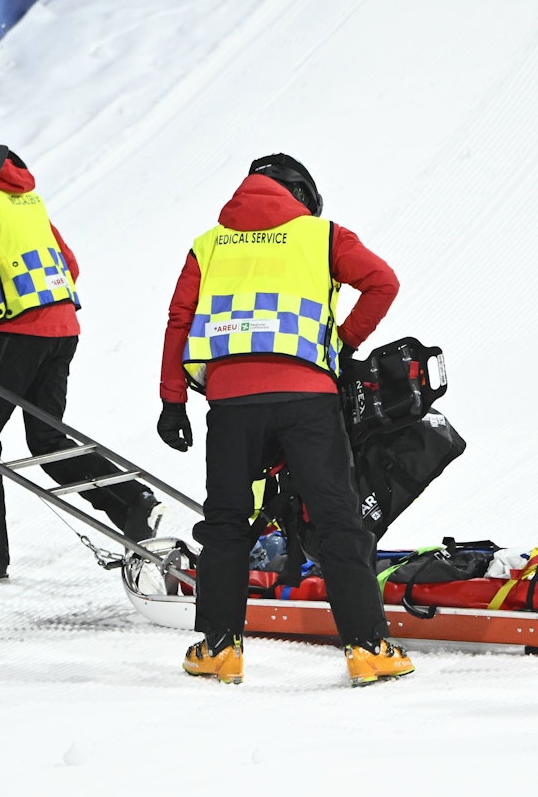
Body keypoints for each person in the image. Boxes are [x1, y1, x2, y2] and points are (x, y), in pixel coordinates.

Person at [157, 152, 414, 686]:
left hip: (230, 405)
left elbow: (180, 319)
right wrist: (342, 342)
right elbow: (382, 283)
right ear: (302, 196)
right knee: (338, 520)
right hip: (308, 400)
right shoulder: (323, 236)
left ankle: (219, 651)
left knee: (226, 523)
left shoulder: (209, 243)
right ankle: (368, 650)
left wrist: (172, 399)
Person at [0, 116, 163, 581]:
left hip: (20, 332)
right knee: (47, 439)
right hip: (62, 326)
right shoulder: (23, 194)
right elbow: (69, 263)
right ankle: (133, 501)